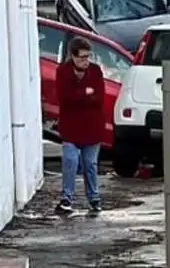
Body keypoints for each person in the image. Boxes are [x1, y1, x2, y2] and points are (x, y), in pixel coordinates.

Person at [55, 36, 105, 213]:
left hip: (92, 127)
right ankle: (66, 198)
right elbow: (65, 98)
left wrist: (82, 95)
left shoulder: (96, 71)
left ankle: (94, 198)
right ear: (73, 56)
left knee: (90, 164)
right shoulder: (63, 72)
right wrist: (85, 92)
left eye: (88, 56)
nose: (86, 61)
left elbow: (98, 97)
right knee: (70, 160)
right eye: (82, 57)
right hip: (71, 127)